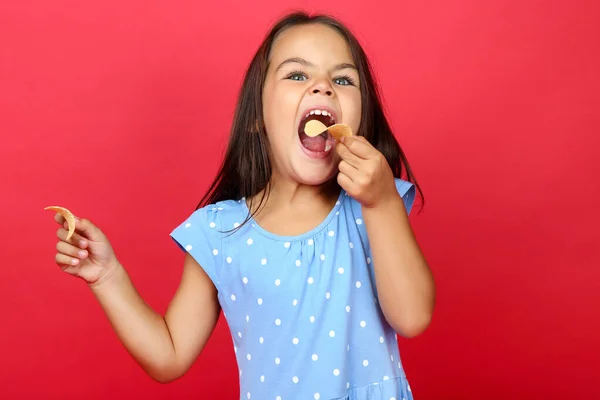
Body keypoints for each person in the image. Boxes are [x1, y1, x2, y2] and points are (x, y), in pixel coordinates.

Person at [51, 11, 435, 400]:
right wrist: (107, 277)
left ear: (360, 119)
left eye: (342, 79)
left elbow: (413, 317)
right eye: (298, 75)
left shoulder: (370, 209)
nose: (323, 88)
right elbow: (168, 355)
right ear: (257, 117)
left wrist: (383, 201)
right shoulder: (219, 232)